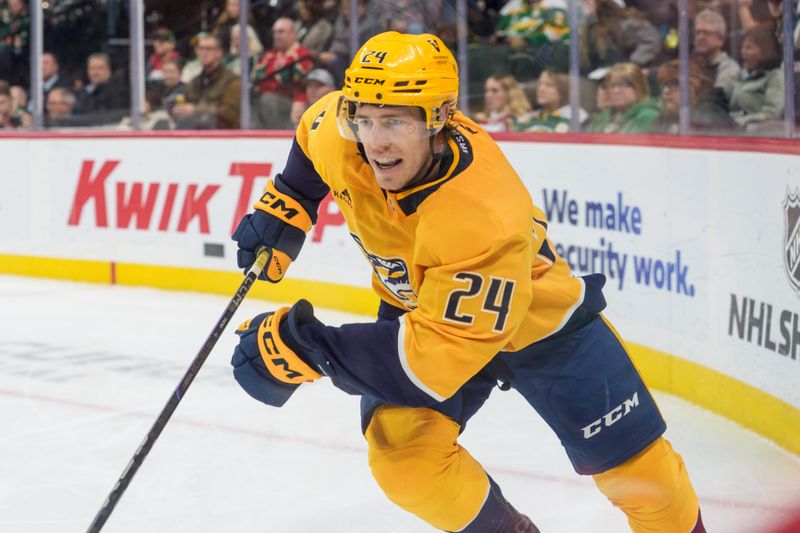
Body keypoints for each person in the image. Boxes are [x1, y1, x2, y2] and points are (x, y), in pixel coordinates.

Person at [229, 31, 706, 533]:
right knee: (407, 462)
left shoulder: (482, 211)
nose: (376, 142)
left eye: (395, 121)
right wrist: (290, 201)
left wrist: (308, 347)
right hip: (423, 309)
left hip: (537, 322)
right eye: (364, 119)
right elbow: (313, 134)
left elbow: (426, 361)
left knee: (644, 480)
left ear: (440, 117)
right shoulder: (341, 135)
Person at [251, 17, 314, 129]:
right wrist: (276, 75)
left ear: (293, 34)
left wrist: (274, 75)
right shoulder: (270, 54)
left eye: (281, 32)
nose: (277, 36)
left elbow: (291, 79)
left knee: (268, 99)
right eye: (275, 32)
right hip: (266, 100)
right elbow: (255, 76)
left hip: (293, 103)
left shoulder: (302, 54)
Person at [171, 34, 241, 129]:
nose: (203, 53)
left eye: (208, 49)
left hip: (223, 134)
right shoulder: (194, 82)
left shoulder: (232, 81)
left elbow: (230, 113)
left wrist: (196, 111)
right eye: (200, 49)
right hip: (194, 132)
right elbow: (185, 104)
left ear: (219, 53)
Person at [727, 26, 785, 130]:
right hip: (734, 130)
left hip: (760, 133)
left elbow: (772, 113)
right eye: (742, 47)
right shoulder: (742, 75)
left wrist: (741, 121)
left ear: (764, 50)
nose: (742, 51)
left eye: (748, 48)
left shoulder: (775, 76)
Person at [585, 62, 660, 133]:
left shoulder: (648, 115)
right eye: (612, 85)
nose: (616, 91)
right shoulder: (603, 116)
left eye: (622, 85)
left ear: (638, 87)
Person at [515, 69, 587, 132]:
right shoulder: (528, 117)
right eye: (540, 84)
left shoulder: (577, 116)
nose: (541, 89)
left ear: (562, 91)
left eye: (549, 85)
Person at [692, 9, 741, 94]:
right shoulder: (688, 65)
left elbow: (716, 99)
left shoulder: (729, 69)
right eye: (697, 32)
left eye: (706, 33)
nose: (700, 37)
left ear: (720, 40)